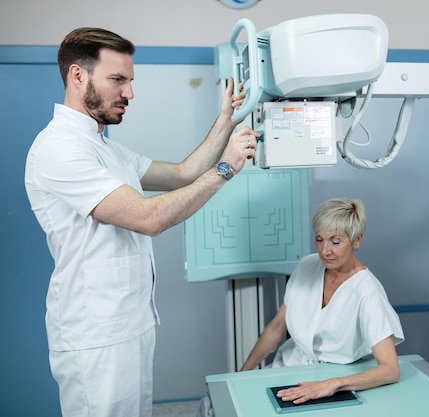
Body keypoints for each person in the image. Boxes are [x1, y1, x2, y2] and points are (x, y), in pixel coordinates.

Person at [24, 27, 260, 417]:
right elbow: (147, 217)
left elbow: (183, 173)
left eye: (130, 81)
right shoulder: (59, 149)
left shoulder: (106, 148)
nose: (129, 93)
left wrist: (225, 122)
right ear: (77, 76)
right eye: (117, 80)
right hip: (95, 335)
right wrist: (226, 168)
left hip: (131, 325)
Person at [239, 198, 404, 404]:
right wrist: (241, 375)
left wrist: (333, 384)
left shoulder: (367, 291)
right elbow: (277, 327)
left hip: (334, 380)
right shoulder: (308, 265)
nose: (325, 251)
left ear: (357, 240)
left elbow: (390, 370)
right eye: (319, 240)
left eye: (335, 242)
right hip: (288, 369)